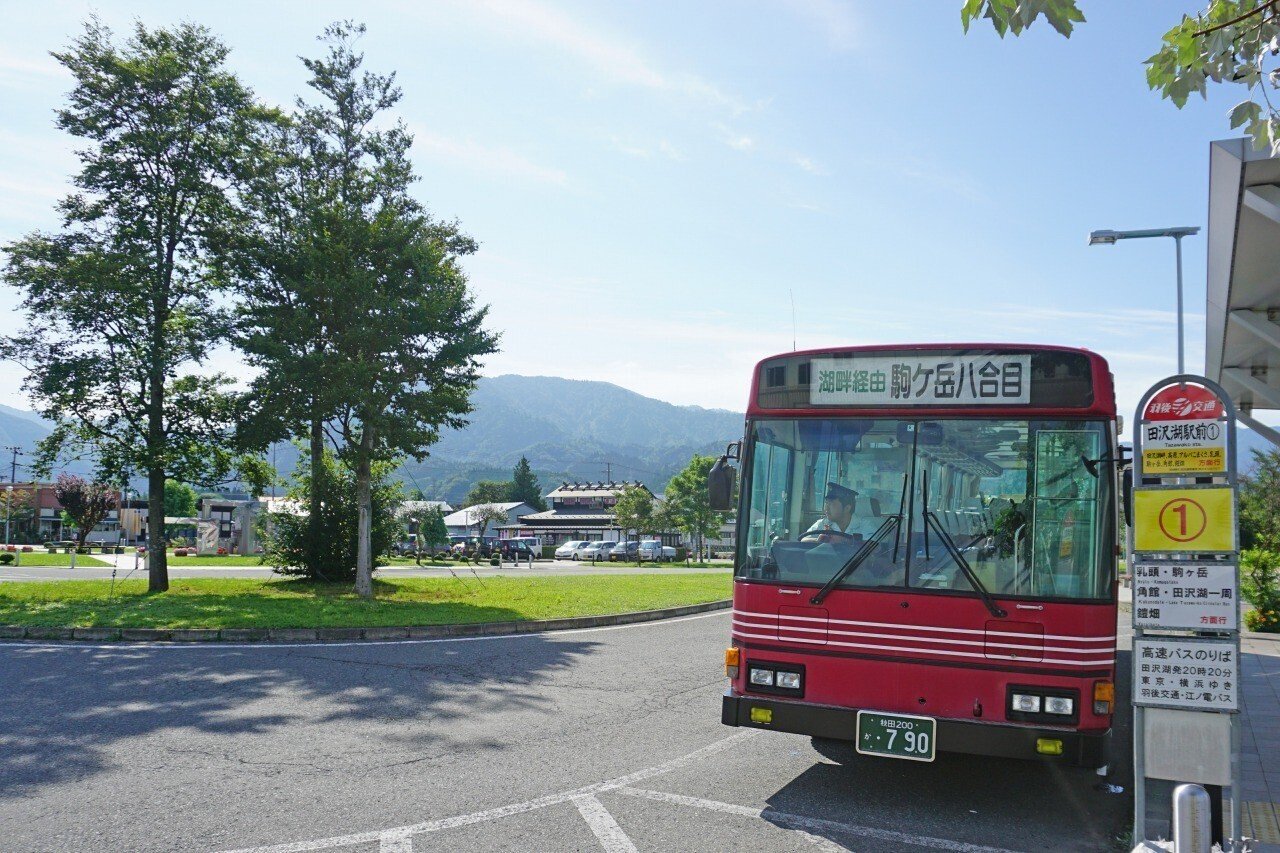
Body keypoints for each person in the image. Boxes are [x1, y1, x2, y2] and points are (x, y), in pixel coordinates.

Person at [805, 482, 880, 542]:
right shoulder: (823, 523)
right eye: (826, 503)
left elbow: (874, 546)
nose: (826, 508)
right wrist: (818, 540)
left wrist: (844, 540)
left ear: (847, 508)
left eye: (831, 503)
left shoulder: (865, 525)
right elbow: (803, 539)